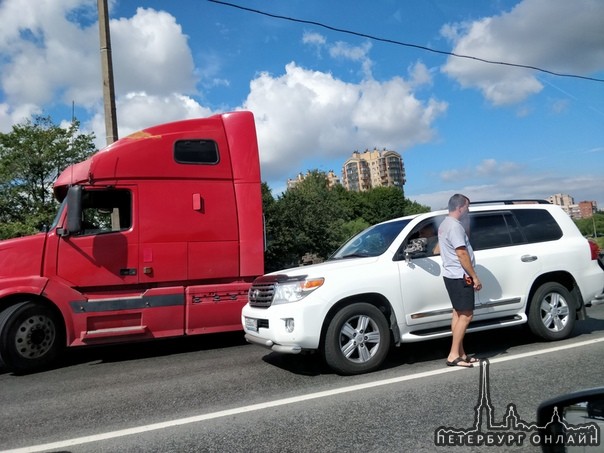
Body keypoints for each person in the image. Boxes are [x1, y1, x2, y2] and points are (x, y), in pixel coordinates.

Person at [438, 194, 482, 368]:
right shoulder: (455, 227)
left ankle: (461, 353)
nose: (468, 210)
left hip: (451, 275)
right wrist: (474, 276)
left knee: (458, 314)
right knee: (466, 315)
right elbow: (461, 253)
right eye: (467, 207)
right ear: (460, 207)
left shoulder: (444, 224)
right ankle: (453, 354)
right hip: (460, 276)